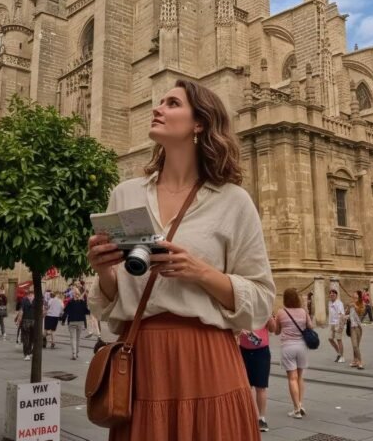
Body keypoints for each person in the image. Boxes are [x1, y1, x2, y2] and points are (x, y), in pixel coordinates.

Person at [87, 80, 275, 440]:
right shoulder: (125, 194)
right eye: (159, 102)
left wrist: (200, 272)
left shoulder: (232, 200)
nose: (157, 108)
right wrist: (103, 270)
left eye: (172, 103)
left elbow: (262, 302)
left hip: (208, 358)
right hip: (142, 360)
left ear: (200, 123)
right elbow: (112, 304)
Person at [275, 288, 311, 419]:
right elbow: (310, 326)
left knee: (292, 378)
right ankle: (300, 405)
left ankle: (296, 409)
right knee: (300, 377)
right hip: (302, 346)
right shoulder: (303, 311)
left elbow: (276, 331)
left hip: (288, 347)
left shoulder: (280, 312)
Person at [240, 316, 277, 433]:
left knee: (261, 386)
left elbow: (273, 329)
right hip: (243, 350)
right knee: (246, 386)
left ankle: (261, 418)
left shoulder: (263, 308)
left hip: (261, 351)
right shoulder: (242, 307)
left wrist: (270, 317)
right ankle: (249, 416)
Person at [63, 289, 87, 360]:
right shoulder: (82, 302)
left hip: (72, 322)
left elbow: (65, 311)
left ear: (73, 295)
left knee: (73, 338)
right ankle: (77, 353)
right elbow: (87, 312)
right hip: (80, 322)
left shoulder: (70, 302)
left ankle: (74, 353)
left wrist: (63, 321)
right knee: (78, 338)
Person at [327, 289, 345, 363]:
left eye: (333, 294)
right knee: (330, 339)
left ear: (336, 295)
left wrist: (340, 325)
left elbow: (341, 314)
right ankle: (338, 353)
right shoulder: (329, 303)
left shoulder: (339, 303)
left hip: (338, 323)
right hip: (331, 323)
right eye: (330, 294)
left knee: (339, 340)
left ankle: (342, 356)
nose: (331, 295)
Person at [17, 288, 36, 360]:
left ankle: (26, 354)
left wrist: (19, 320)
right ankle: (30, 352)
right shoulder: (36, 299)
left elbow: (21, 310)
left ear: (28, 293)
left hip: (25, 320)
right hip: (34, 321)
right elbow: (42, 311)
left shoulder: (24, 299)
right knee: (32, 338)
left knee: (25, 338)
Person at [348, 291, 365, 369]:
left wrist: (354, 305)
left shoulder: (362, 304)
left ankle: (360, 361)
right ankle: (355, 360)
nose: (354, 295)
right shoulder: (351, 304)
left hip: (358, 327)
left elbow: (361, 313)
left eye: (355, 294)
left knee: (356, 346)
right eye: (353, 294)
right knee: (354, 345)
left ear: (359, 296)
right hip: (352, 327)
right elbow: (349, 314)